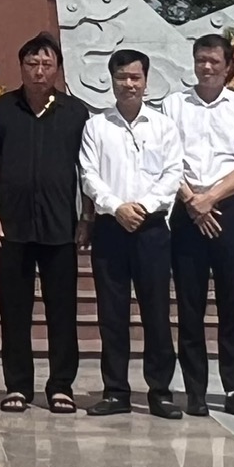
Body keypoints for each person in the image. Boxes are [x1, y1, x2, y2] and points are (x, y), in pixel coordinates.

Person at [0, 32, 89, 416]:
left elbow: (88, 169)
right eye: (32, 64)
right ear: (21, 66)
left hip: (61, 228)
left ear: (57, 69)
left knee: (62, 311)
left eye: (47, 64)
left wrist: (87, 216)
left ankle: (61, 386)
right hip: (13, 228)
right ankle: (17, 385)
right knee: (15, 311)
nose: (39, 71)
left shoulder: (76, 113)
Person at [78, 47, 184, 419]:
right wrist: (116, 207)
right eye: (121, 77)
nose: (129, 84)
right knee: (112, 313)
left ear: (146, 80)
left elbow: (172, 173)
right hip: (111, 228)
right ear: (112, 81)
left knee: (156, 312)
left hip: (151, 228)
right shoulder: (96, 126)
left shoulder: (163, 126)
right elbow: (89, 175)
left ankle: (160, 392)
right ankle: (115, 390)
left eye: (135, 77)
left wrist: (144, 206)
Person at [169, 32, 234, 417]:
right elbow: (166, 160)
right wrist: (193, 200)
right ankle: (195, 389)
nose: (207, 67)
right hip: (186, 210)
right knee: (190, 304)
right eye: (201, 60)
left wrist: (211, 198)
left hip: (230, 211)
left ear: (227, 66)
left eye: (214, 61)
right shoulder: (174, 104)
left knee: (231, 302)